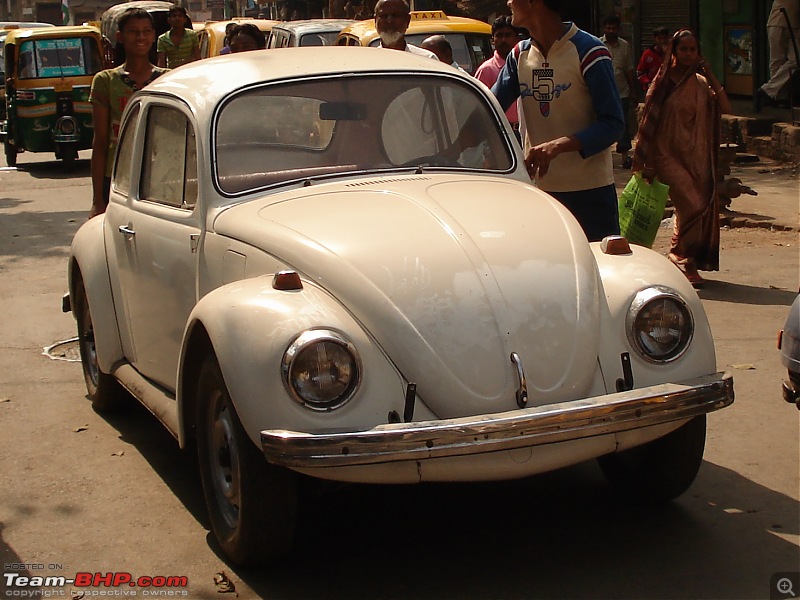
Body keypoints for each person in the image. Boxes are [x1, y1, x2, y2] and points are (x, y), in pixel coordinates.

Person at [491, 0, 624, 242]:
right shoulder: (519, 55)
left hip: (590, 192)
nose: (509, 2)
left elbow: (613, 124)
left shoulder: (590, 51)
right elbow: (490, 108)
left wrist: (557, 146)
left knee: (599, 270)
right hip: (541, 193)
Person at [632, 29, 731, 287]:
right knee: (694, 204)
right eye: (683, 49)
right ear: (673, 52)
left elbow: (725, 106)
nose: (688, 54)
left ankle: (680, 253)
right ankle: (683, 257)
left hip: (696, 156)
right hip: (666, 155)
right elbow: (649, 122)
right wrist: (647, 162)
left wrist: (708, 73)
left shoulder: (699, 83)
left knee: (691, 208)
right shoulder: (663, 82)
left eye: (692, 49)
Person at [89, 8, 168, 218]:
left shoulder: (168, 79)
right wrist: (98, 200)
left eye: (146, 31)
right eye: (133, 32)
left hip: (161, 178)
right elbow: (101, 141)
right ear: (120, 37)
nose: (140, 37)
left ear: (154, 36)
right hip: (116, 179)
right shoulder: (105, 81)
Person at [600, 13, 637, 169]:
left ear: (618, 29)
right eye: (608, 28)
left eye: (614, 28)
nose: (611, 30)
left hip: (621, 91)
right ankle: (603, 159)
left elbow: (629, 70)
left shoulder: (625, 46)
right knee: (601, 124)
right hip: (602, 92)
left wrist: (634, 92)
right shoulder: (597, 44)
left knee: (623, 125)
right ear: (604, 29)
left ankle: (624, 157)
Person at [474, 15, 520, 132]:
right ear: (492, 40)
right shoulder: (486, 69)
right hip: (501, 132)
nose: (503, 40)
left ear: (516, 38)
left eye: (508, 35)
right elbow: (478, 106)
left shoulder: (524, 65)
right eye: (499, 35)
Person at [759, 0, 800, 104]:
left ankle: (769, 89)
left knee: (795, 60)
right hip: (778, 21)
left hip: (794, 24)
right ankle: (778, 97)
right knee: (777, 61)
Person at [373, 0, 437, 59]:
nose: (389, 21)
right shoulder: (368, 61)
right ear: (375, 20)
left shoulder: (427, 59)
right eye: (384, 16)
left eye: (395, 15)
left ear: (407, 20)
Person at [637, 26, 669, 92]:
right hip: (652, 89)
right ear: (654, 39)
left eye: (664, 38)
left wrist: (667, 54)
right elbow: (640, 73)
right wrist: (648, 83)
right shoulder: (647, 54)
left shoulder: (672, 54)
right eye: (659, 38)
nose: (662, 41)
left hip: (668, 90)